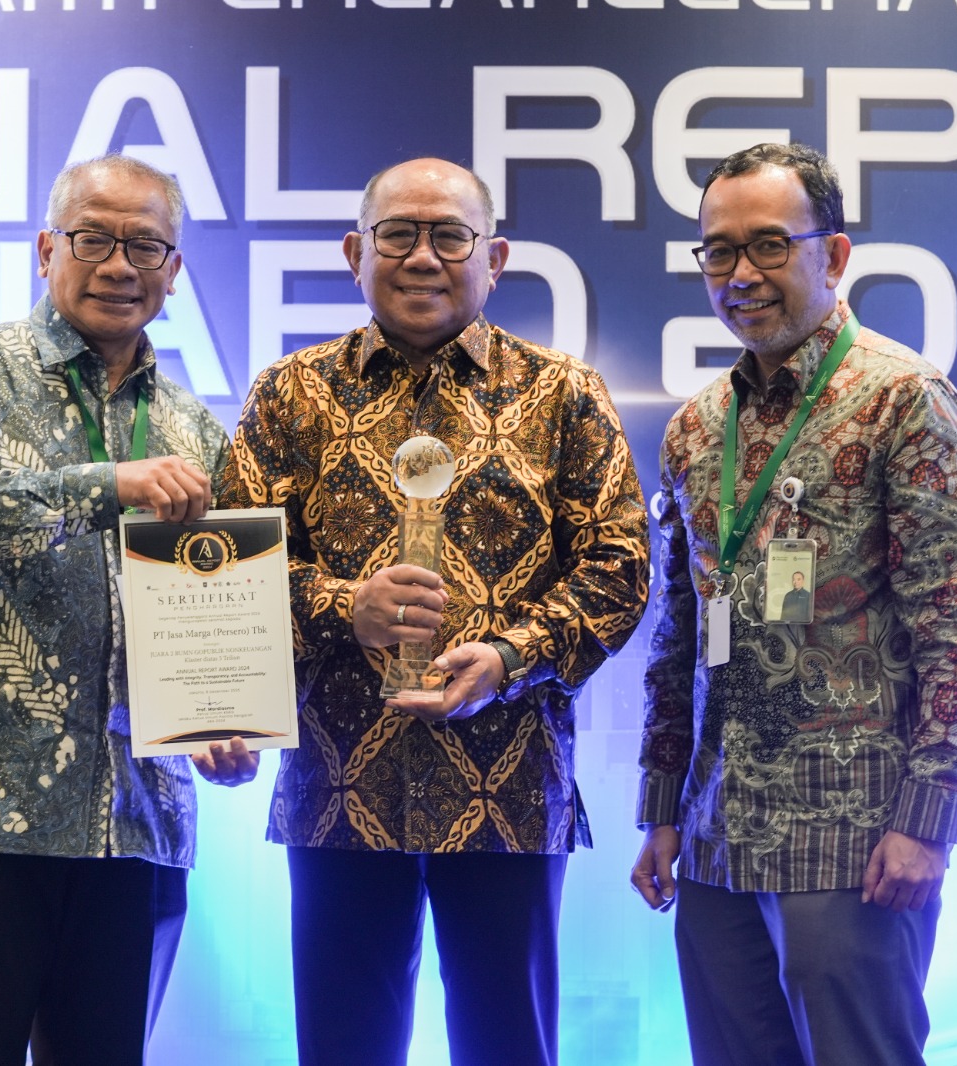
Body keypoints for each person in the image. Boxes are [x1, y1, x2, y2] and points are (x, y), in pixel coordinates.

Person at [222, 157, 650, 1066]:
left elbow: (620, 569)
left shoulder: (565, 394)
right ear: (355, 253)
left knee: (508, 1047)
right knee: (341, 1050)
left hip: (510, 784)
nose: (424, 257)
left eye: (451, 236)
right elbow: (230, 569)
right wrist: (346, 606)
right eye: (398, 235)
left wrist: (510, 657)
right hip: (339, 786)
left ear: (494, 258)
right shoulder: (288, 393)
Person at [0, 153, 259, 1066]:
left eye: (144, 246)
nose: (119, 265)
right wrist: (104, 485)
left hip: (140, 820)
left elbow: (220, 600)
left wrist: (221, 717)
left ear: (173, 270)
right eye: (93, 239)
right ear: (48, 249)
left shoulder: (197, 428)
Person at [630, 142, 957, 1065]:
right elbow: (679, 632)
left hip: (855, 840)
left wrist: (927, 822)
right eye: (719, 250)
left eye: (768, 245)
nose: (740, 274)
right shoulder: (695, 426)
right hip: (716, 836)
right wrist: (662, 805)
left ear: (832, 257)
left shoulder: (903, 400)